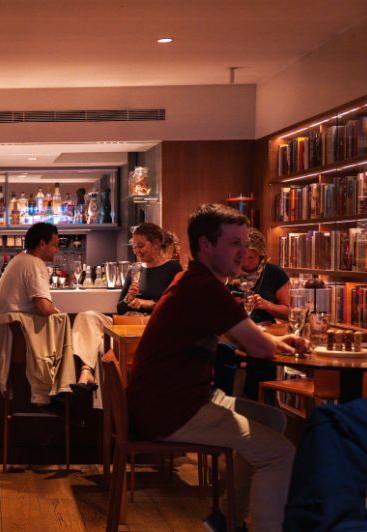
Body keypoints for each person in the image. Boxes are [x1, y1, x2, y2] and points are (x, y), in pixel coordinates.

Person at [126, 204, 308, 532]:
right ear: (206, 245)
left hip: (172, 400)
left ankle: (224, 518)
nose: (243, 252)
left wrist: (282, 343)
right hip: (172, 409)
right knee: (279, 454)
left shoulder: (194, 280)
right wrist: (276, 344)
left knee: (272, 418)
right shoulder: (205, 288)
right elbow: (259, 347)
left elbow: (250, 339)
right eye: (234, 243)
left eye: (245, 244)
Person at [0, 222, 99, 388]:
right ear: (42, 244)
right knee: (63, 321)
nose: (57, 250)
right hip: (23, 340)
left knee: (60, 321)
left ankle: (63, 388)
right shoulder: (34, 264)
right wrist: (56, 310)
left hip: (10, 337)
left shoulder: (18, 260)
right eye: (55, 245)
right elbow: (43, 308)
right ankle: (65, 389)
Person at [220, 228, 291, 399]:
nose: (245, 261)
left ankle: (257, 403)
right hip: (233, 334)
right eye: (242, 255)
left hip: (264, 332)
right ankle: (230, 401)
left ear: (262, 256)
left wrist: (267, 305)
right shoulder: (230, 272)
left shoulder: (274, 274)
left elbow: (288, 313)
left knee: (260, 359)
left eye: (250, 257)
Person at [117, 222, 183, 315]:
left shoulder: (172, 268)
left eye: (140, 246)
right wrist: (129, 297)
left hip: (154, 325)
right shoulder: (134, 270)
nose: (137, 251)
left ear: (156, 243)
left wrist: (150, 304)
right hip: (130, 323)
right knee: (91, 315)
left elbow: (178, 307)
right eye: (134, 247)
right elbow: (120, 310)